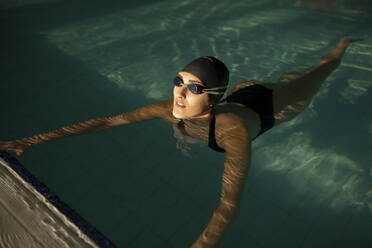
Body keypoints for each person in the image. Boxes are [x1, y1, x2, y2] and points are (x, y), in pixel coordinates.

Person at [0, 37, 362, 248]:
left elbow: (228, 204)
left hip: (274, 105)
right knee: (286, 77)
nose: (179, 92)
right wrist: (29, 141)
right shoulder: (170, 109)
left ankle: (342, 45)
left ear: (212, 97)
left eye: (193, 87)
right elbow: (108, 121)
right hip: (241, 90)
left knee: (317, 74)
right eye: (179, 80)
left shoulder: (232, 134)